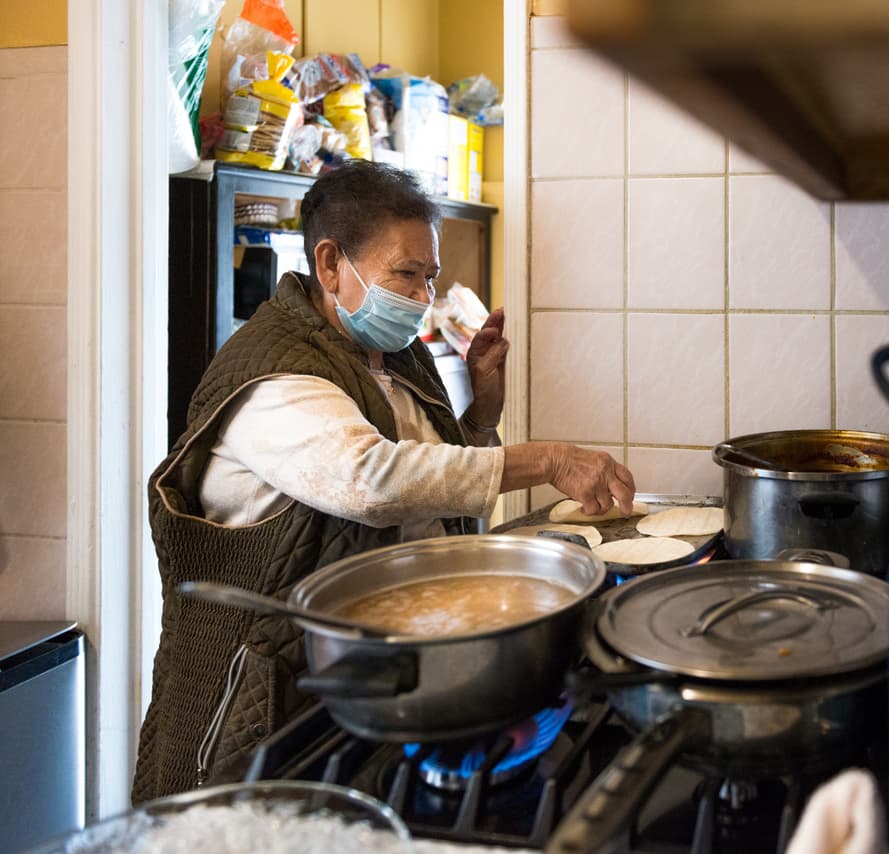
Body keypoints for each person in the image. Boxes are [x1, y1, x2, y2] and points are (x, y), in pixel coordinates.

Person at [133, 160, 635, 803]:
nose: (423, 297)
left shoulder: (396, 355)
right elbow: (369, 482)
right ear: (331, 264)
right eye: (405, 274)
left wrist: (479, 415)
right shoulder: (272, 377)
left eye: (430, 277)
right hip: (266, 698)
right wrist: (549, 461)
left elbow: (435, 504)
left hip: (376, 677)